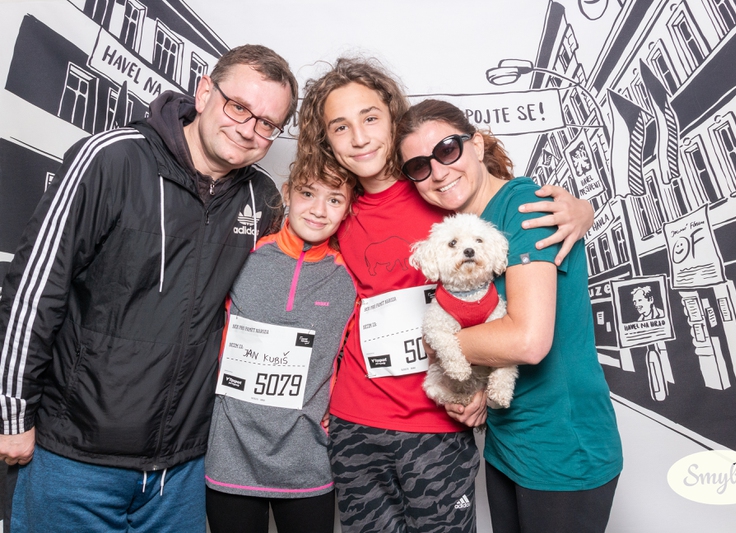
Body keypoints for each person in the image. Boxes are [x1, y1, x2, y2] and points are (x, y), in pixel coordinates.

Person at [0, 44, 298, 532]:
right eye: (238, 107)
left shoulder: (261, 198)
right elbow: (35, 288)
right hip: (75, 456)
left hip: (182, 471)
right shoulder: (111, 158)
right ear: (204, 92)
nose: (248, 129)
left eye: (267, 123)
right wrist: (12, 411)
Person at [294, 57, 595, 532]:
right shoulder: (334, 206)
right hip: (354, 419)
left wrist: (580, 211)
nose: (359, 137)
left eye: (370, 118)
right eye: (340, 127)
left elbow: (500, 300)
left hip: (437, 422)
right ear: (326, 141)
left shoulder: (446, 198)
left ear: (393, 120)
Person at [396, 99, 623, 533]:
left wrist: (438, 344)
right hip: (509, 441)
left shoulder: (522, 206)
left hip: (561, 445)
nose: (438, 172)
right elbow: (493, 329)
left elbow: (528, 341)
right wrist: (477, 390)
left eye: (447, 150)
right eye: (420, 166)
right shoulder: (476, 223)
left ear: (477, 145)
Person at [204, 166, 357, 533]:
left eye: (334, 200)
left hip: (307, 456)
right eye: (307, 193)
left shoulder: (348, 279)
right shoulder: (244, 255)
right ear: (287, 193)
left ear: (348, 209)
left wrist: (337, 405)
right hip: (231, 450)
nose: (318, 210)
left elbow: (354, 356)